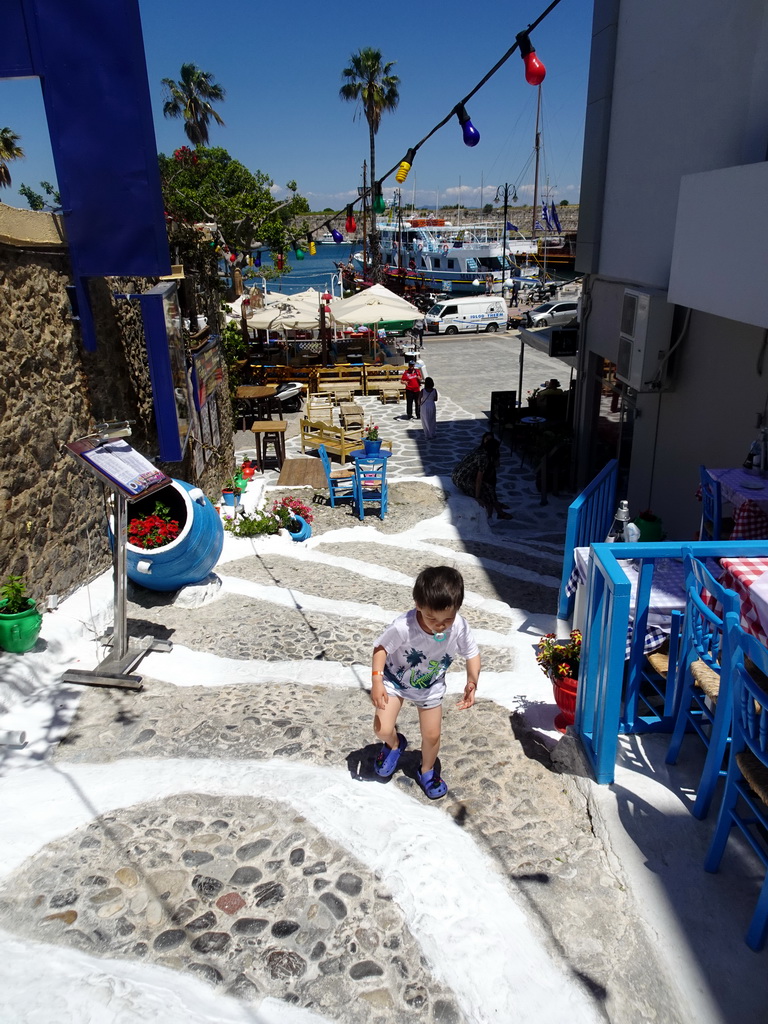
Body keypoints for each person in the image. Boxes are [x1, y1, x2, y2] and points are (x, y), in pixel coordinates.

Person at [370, 566, 480, 799]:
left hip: (430, 686)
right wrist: (377, 681)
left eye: (447, 619)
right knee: (382, 729)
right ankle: (393, 744)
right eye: (432, 618)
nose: (439, 625)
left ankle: (427, 770)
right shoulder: (403, 626)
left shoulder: (459, 626)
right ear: (418, 605)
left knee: (431, 735)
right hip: (395, 680)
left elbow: (472, 653)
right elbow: (381, 649)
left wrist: (472, 681)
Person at [451, 433, 513, 519]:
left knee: (490, 484)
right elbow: (479, 479)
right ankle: (497, 512)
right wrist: (477, 497)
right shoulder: (483, 457)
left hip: (458, 474)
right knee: (487, 490)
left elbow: (496, 465)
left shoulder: (482, 451)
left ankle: (498, 509)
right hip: (463, 479)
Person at [420, 376, 438, 440]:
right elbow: (436, 399)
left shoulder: (423, 391)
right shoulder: (434, 390)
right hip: (431, 405)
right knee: (432, 419)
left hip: (424, 406)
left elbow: (419, 399)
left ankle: (427, 434)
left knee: (425, 420)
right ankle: (432, 433)